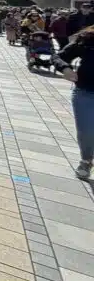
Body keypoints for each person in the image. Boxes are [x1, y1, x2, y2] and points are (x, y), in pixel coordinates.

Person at [53, 26, 94, 179]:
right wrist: (65, 68)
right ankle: (86, 161)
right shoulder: (88, 39)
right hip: (86, 93)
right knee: (87, 131)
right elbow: (58, 57)